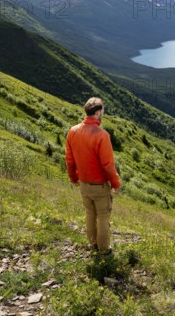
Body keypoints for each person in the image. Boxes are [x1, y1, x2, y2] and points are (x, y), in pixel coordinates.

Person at [65, 97, 121, 254]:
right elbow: (108, 166)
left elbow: (69, 160)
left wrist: (73, 178)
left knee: (90, 214)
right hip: (100, 185)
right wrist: (116, 184)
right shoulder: (102, 135)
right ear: (98, 112)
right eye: (102, 111)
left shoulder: (73, 131)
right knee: (103, 216)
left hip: (84, 183)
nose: (103, 113)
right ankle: (104, 250)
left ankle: (93, 245)